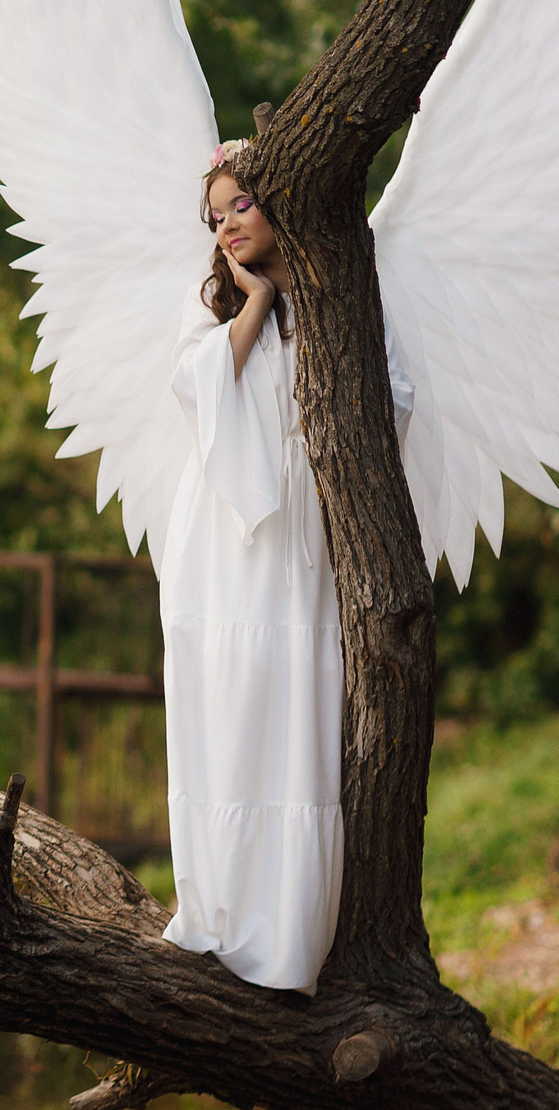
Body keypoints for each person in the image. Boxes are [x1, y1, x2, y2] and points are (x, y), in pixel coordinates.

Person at [155, 150, 412, 994]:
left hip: (301, 543)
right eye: (215, 215)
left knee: (293, 713)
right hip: (222, 548)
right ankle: (216, 912)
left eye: (241, 204)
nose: (227, 223)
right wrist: (257, 302)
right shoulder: (216, 314)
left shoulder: (339, 304)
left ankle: (286, 938)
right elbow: (194, 387)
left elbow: (395, 398)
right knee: (226, 709)